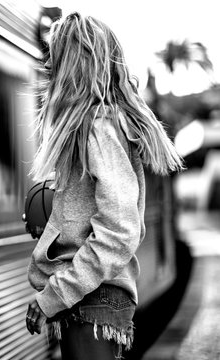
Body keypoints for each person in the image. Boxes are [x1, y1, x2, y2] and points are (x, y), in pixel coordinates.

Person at [24, 12, 184, 359]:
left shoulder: (97, 128)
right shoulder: (101, 128)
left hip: (91, 298)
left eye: (56, 58)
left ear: (73, 65)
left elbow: (119, 229)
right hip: (92, 297)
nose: (49, 68)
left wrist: (56, 294)